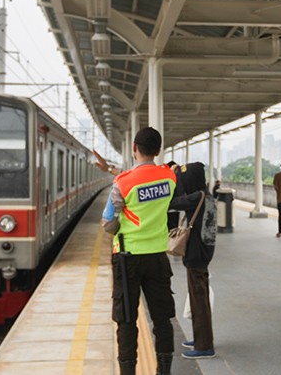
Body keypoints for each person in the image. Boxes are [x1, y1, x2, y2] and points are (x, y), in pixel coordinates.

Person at [100, 127, 176, 375]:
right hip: (158, 258)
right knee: (162, 318)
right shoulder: (169, 178)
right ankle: (164, 370)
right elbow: (152, 180)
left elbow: (108, 223)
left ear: (134, 148)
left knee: (126, 320)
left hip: (127, 259)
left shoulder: (122, 183)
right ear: (158, 150)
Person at [169, 162, 217, 360]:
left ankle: (204, 345)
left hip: (197, 255)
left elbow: (173, 202)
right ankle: (201, 339)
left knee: (199, 301)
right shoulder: (206, 195)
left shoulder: (197, 197)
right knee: (200, 298)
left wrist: (173, 179)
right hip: (203, 253)